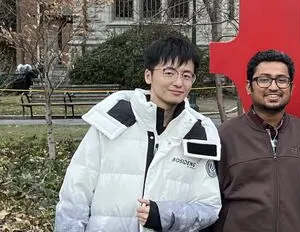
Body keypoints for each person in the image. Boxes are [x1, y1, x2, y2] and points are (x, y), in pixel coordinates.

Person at [55, 34, 222, 232]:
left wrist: (165, 215)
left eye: (187, 75)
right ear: (148, 75)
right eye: (169, 72)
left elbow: (209, 207)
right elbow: (74, 196)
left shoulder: (200, 131)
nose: (179, 82)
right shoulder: (112, 120)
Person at [210, 50, 300, 232]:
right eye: (264, 79)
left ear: (291, 88)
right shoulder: (226, 134)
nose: (273, 87)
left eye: (281, 80)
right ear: (249, 87)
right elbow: (210, 195)